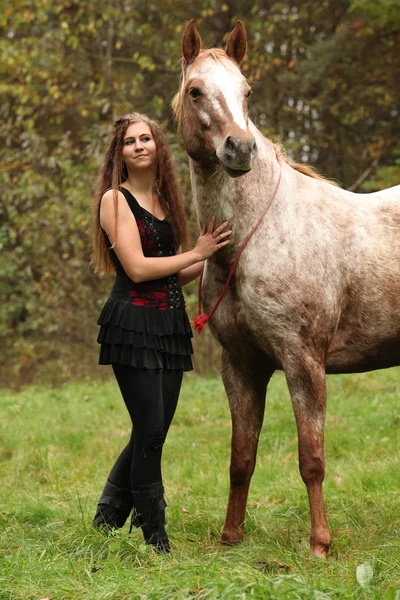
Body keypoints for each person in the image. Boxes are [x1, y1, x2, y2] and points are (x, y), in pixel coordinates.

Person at [90, 113, 231, 553]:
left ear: (157, 147)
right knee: (150, 431)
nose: (138, 145)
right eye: (130, 141)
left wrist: (215, 261)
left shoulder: (166, 203)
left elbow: (173, 275)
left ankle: (108, 515)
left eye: (145, 138)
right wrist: (196, 251)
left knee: (152, 430)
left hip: (170, 326)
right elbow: (136, 268)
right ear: (121, 153)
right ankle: (156, 540)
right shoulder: (115, 200)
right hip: (131, 325)